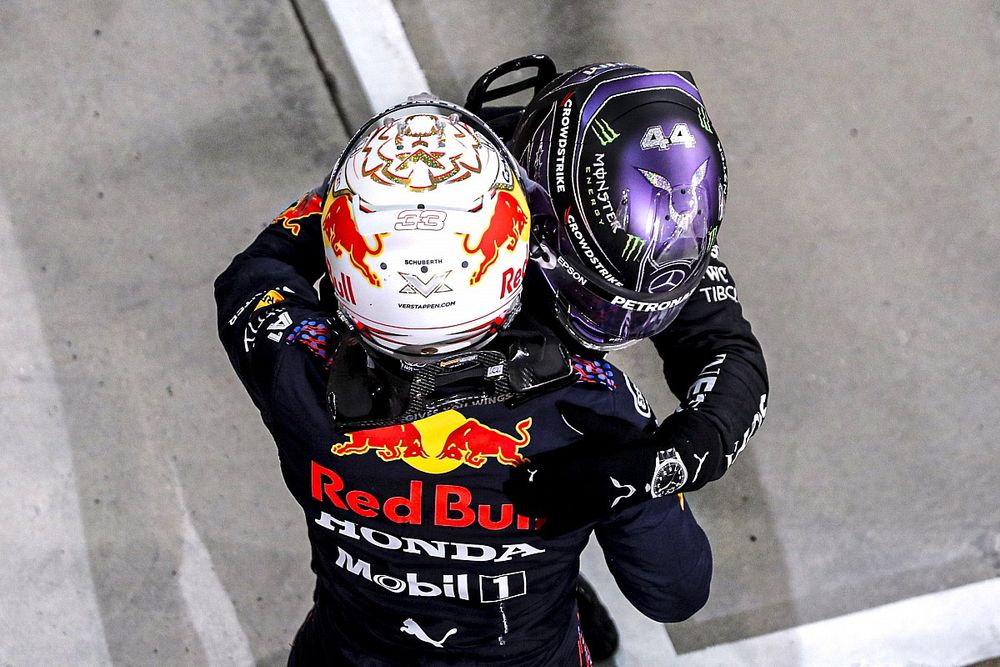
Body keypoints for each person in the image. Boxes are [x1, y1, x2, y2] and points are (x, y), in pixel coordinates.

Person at [216, 96, 712, 666]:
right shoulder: (594, 405)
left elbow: (253, 275)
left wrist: (349, 200)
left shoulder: (295, 369)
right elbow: (675, 592)